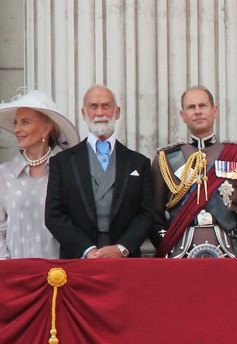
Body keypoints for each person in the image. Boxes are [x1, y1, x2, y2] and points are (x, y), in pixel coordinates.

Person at [151, 86, 237, 258]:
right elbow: (153, 213)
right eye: (191, 107)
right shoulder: (166, 159)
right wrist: (166, 245)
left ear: (215, 111)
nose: (197, 111)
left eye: (202, 106)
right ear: (183, 116)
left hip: (227, 252)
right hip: (179, 253)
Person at [45, 85, 153, 259]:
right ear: (84, 113)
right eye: (93, 106)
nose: (100, 112)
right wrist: (87, 251)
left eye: (106, 106)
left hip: (126, 263)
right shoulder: (62, 162)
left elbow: (147, 214)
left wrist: (121, 248)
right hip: (78, 260)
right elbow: (54, 215)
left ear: (117, 112)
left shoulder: (139, 162)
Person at [0, 90, 80, 259]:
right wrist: (7, 270)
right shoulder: (4, 174)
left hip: (60, 276)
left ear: (46, 128)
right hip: (16, 276)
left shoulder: (67, 172)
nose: (17, 129)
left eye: (25, 122)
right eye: (16, 123)